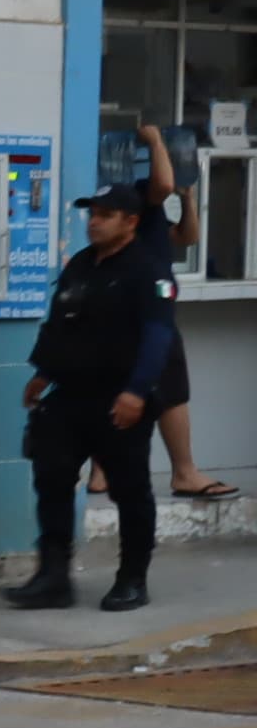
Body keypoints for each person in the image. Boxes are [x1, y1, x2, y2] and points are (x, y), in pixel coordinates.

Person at [9, 181, 175, 613]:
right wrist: (42, 373)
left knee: (130, 490)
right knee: (52, 479)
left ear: (131, 221)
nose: (94, 221)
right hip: (70, 397)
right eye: (91, 213)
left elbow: (158, 337)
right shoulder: (81, 264)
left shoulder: (148, 270)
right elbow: (61, 322)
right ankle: (52, 577)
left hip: (120, 399)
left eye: (104, 214)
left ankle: (132, 579)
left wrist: (136, 392)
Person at [131, 128, 232, 498]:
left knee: (120, 387)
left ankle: (101, 472)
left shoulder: (140, 211)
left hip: (138, 306)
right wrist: (157, 140)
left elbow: (185, 237)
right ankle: (184, 472)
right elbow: (162, 184)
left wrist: (188, 198)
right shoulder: (140, 194)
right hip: (149, 310)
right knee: (171, 391)